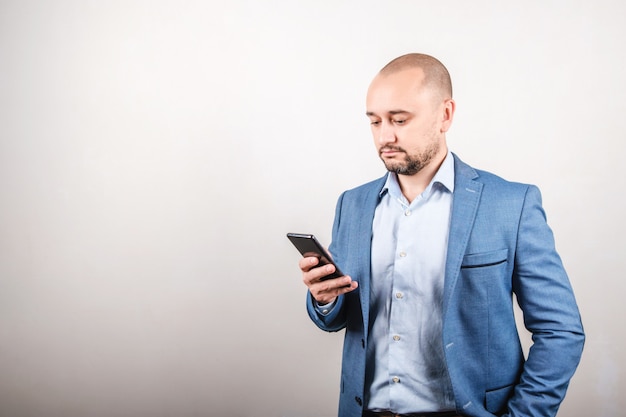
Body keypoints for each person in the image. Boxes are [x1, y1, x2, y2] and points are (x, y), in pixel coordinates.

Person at [298, 53, 584, 417]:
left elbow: (561, 332)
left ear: (445, 115)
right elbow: (340, 319)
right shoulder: (351, 205)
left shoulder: (512, 204)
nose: (385, 135)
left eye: (399, 119)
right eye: (375, 121)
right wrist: (324, 298)